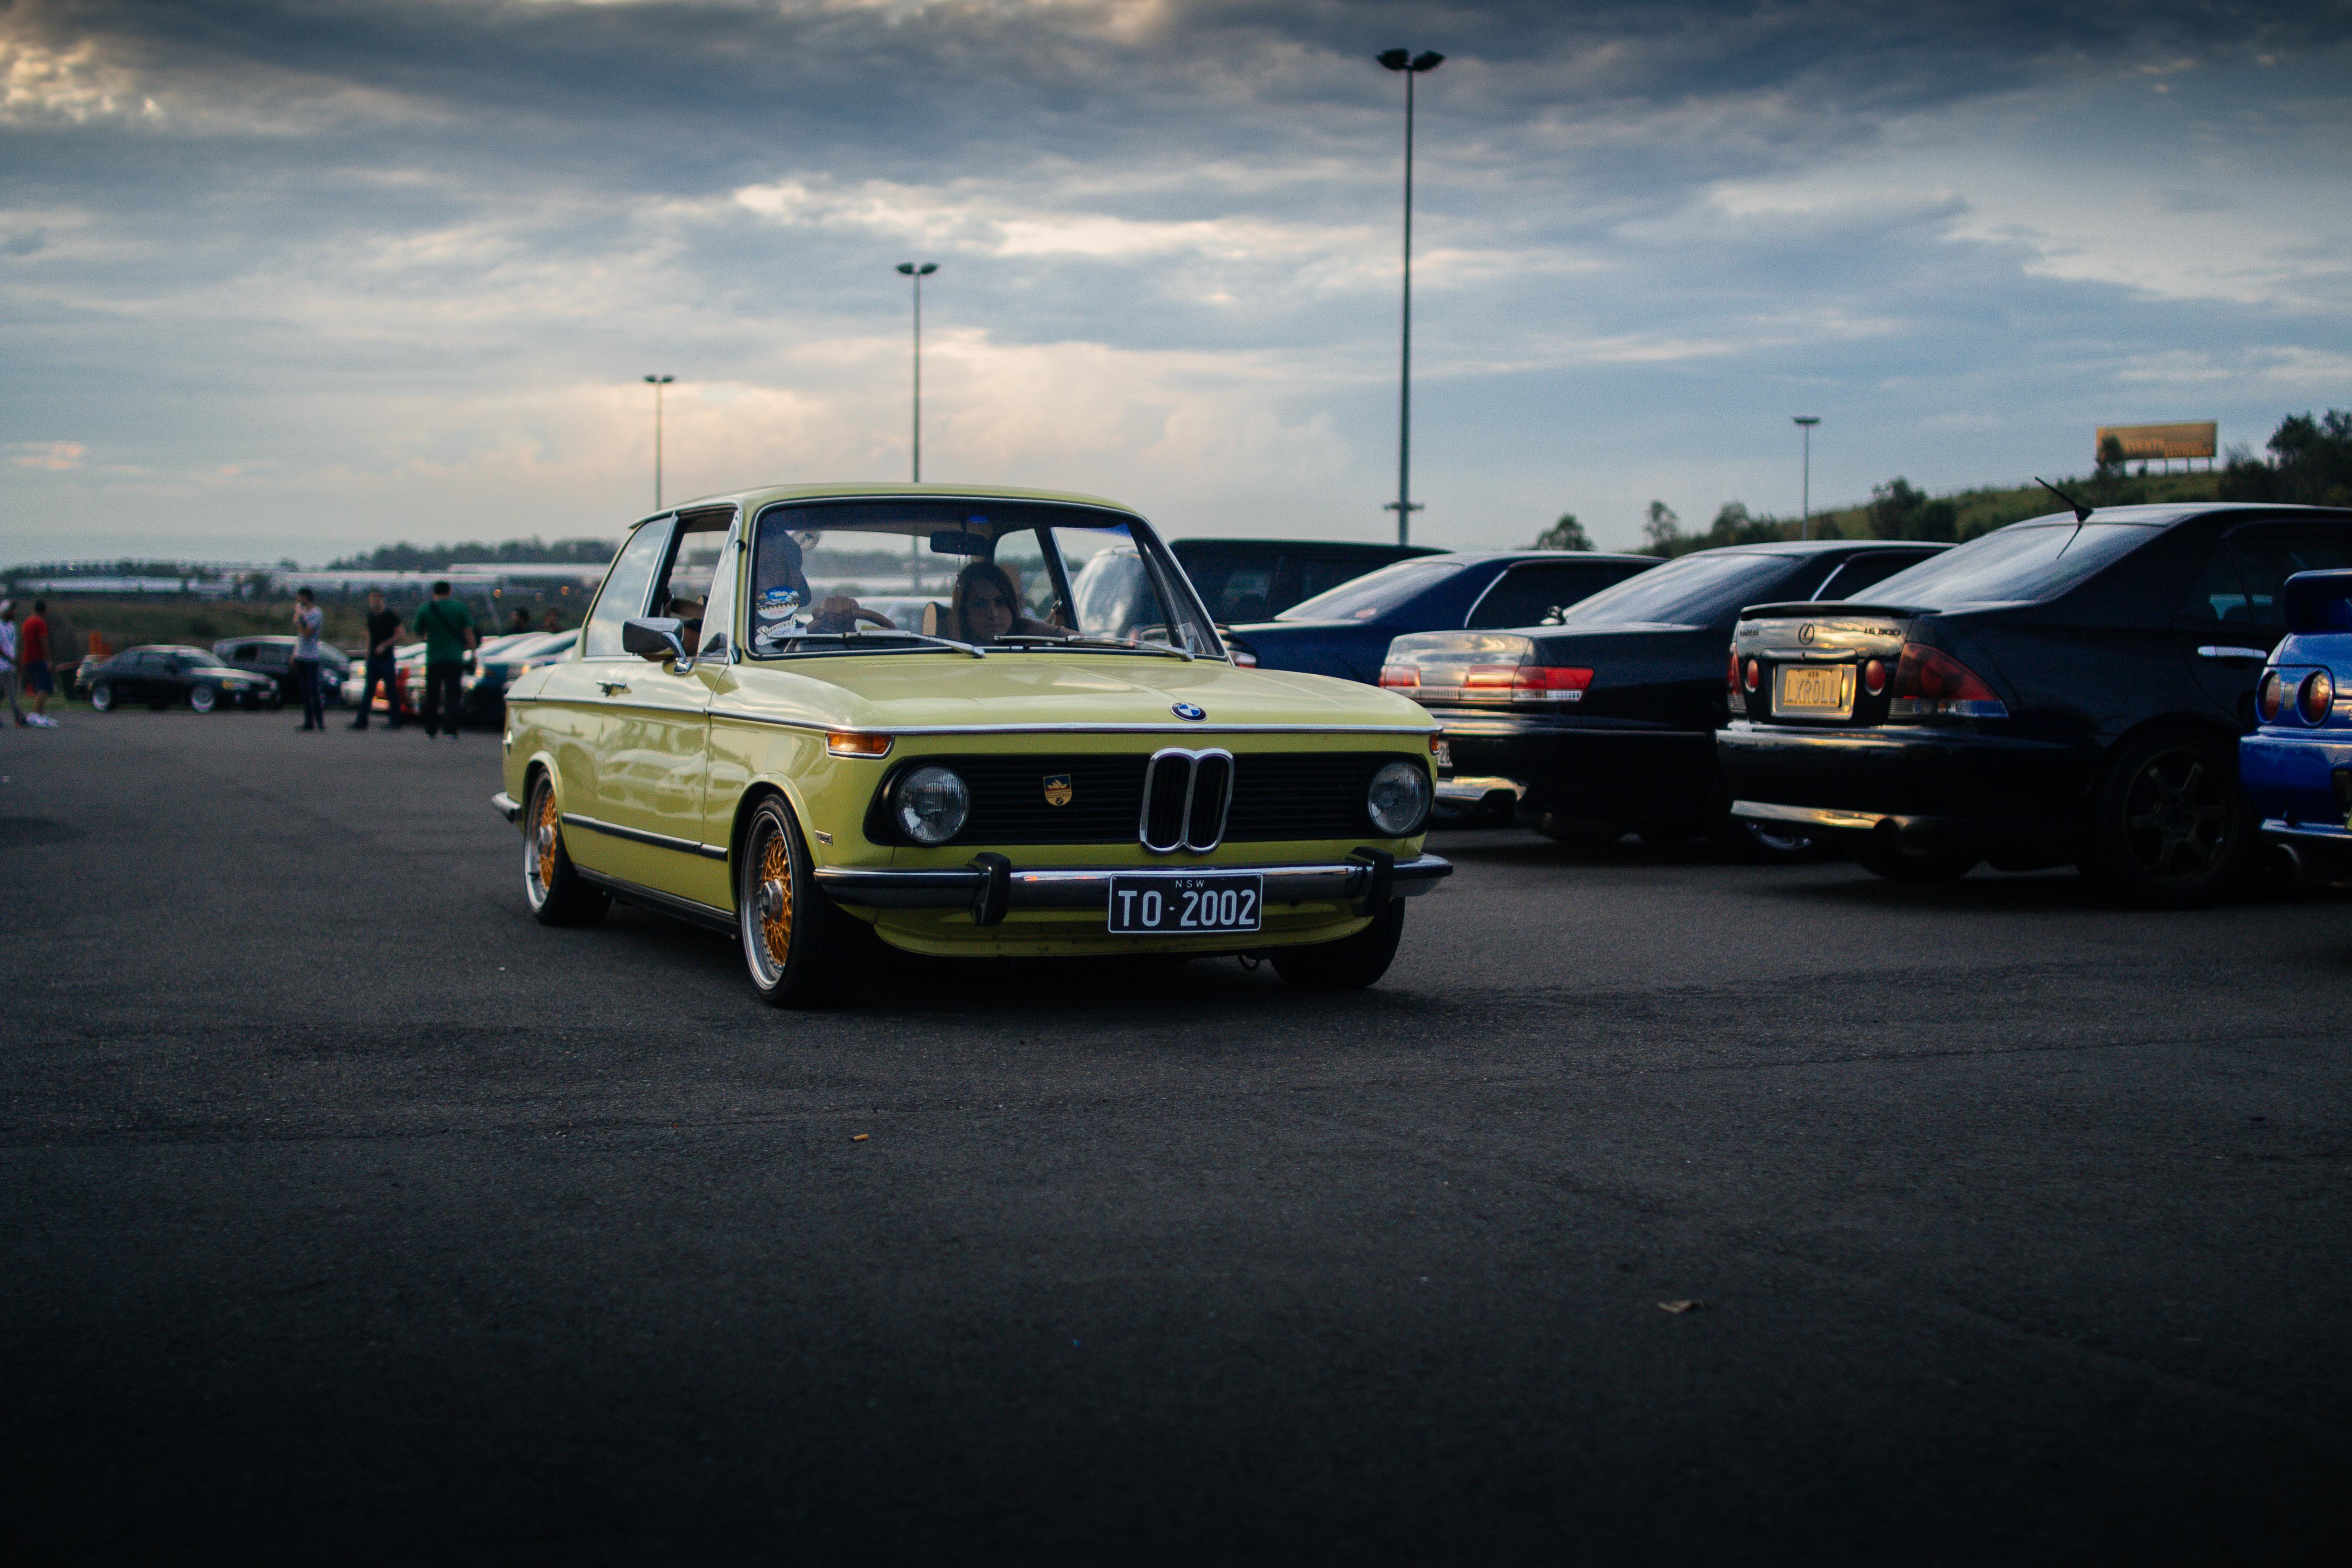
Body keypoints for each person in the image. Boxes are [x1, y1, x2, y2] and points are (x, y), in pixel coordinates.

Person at [411, 580, 477, 740]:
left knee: (432, 695)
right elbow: (468, 632)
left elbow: (417, 631)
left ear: (434, 592)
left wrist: (430, 636)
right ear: (450, 591)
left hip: (434, 659)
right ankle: (451, 731)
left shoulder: (426, 609)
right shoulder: (459, 608)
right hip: (455, 658)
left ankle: (431, 730)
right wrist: (473, 652)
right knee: (452, 696)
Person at [947, 561, 1060, 646]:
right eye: (980, 605)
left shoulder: (1027, 651)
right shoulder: (945, 651)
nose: (993, 614)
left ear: (1011, 606)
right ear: (964, 612)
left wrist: (1037, 629)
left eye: (1001, 602)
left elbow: (1071, 640)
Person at [351, 588, 402, 730]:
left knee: (390, 689)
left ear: (382, 599)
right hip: (374, 658)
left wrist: (385, 645)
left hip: (387, 657)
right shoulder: (371, 616)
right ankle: (362, 721)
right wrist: (367, 654)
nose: (376, 601)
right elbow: (370, 636)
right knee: (369, 689)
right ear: (370, 600)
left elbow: (400, 634)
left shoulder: (390, 615)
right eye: (373, 598)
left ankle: (396, 720)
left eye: (378, 598)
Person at [290, 588, 327, 731]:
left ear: (306, 597)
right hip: (301, 656)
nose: (298, 600)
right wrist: (294, 655)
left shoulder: (315, 613)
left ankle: (320, 721)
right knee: (304, 691)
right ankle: (309, 722)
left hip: (311, 658)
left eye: (300, 597)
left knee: (314, 690)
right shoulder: (303, 612)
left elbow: (307, 634)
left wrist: (299, 619)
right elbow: (299, 637)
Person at [19, 599, 54, 725]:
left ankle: (41, 715)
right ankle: (34, 714)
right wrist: (48, 659)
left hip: (28, 658)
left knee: (39, 686)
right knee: (45, 687)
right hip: (39, 659)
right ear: (44, 611)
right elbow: (43, 641)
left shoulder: (27, 622)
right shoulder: (40, 623)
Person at [0, 600, 22, 728]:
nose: (14, 613)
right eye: (11, 610)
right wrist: (11, 659)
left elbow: (14, 645)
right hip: (3, 666)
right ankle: (18, 718)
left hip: (11, 665)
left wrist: (17, 660)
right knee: (12, 692)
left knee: (2, 693)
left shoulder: (12, 626)